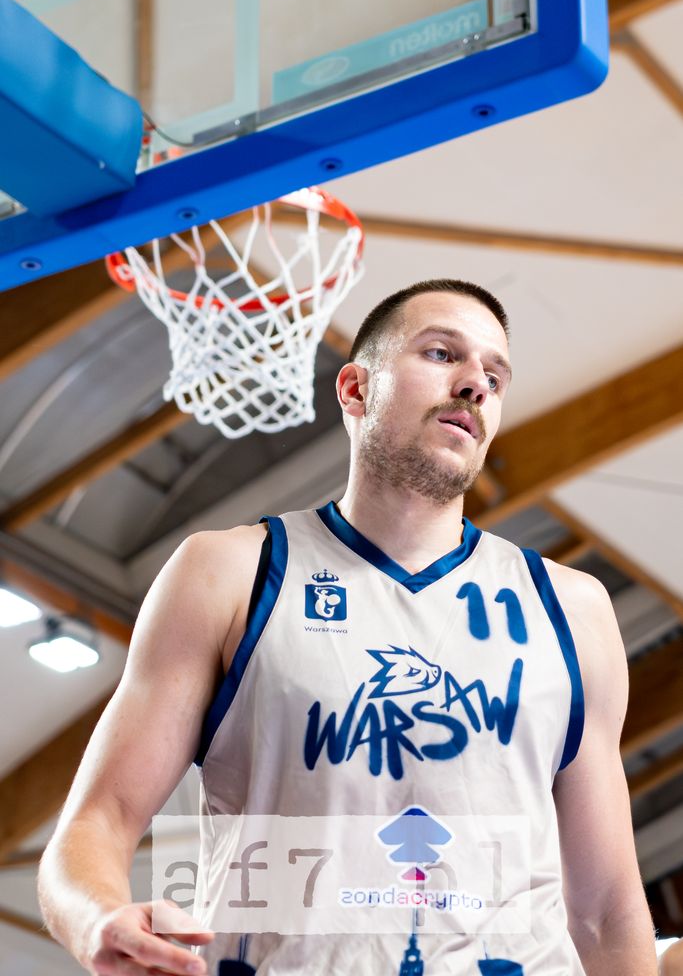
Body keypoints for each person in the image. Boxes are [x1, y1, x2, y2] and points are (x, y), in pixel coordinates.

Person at [38, 279, 659, 975]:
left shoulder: (570, 608)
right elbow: (99, 821)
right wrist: (98, 919)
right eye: (441, 353)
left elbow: (606, 909)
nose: (474, 385)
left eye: (494, 376)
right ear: (356, 389)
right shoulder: (229, 573)